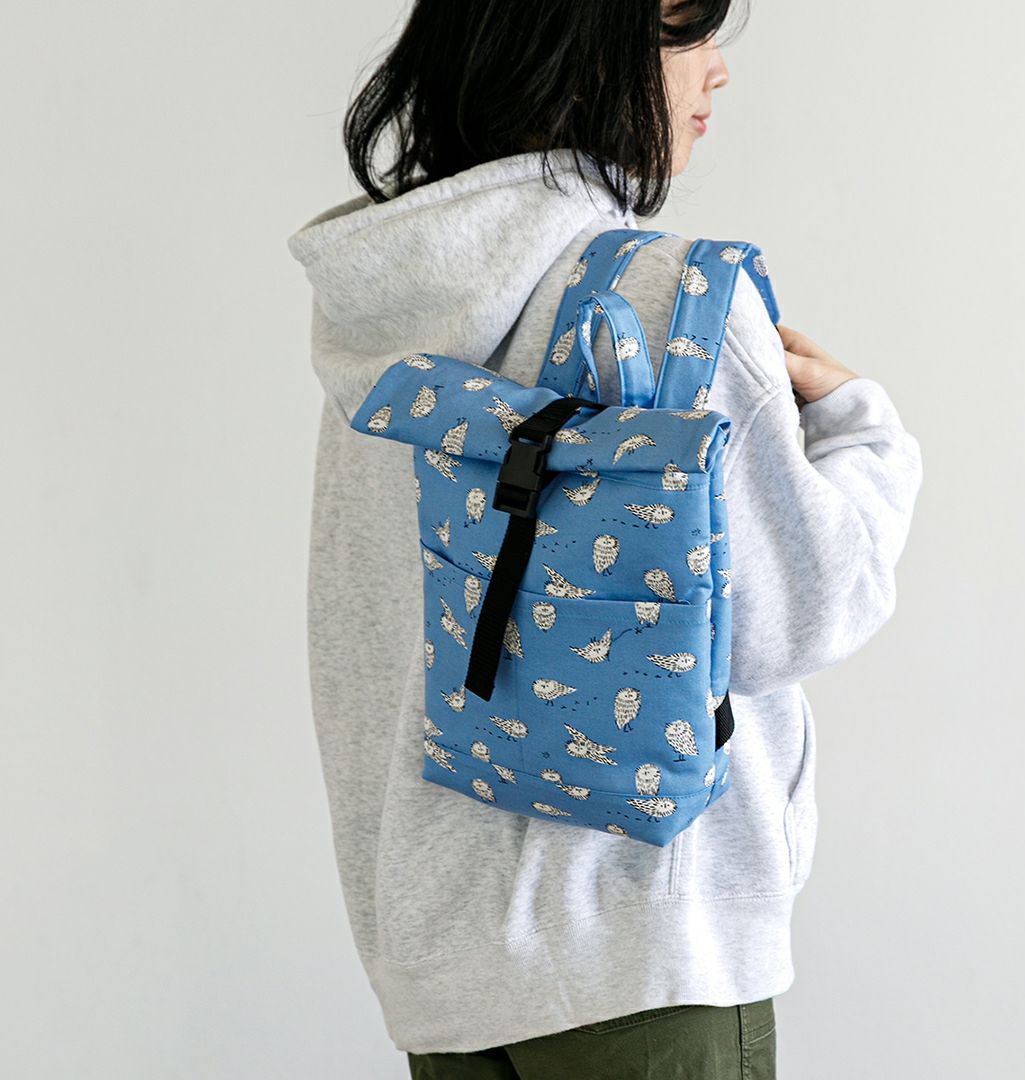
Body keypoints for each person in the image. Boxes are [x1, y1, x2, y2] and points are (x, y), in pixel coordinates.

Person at [285, 1, 924, 1075]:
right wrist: (866, 432)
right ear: (584, 42)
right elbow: (804, 610)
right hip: (645, 965)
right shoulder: (674, 302)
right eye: (686, 30)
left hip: (442, 977)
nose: (716, 70)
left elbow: (365, 641)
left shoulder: (390, 319)